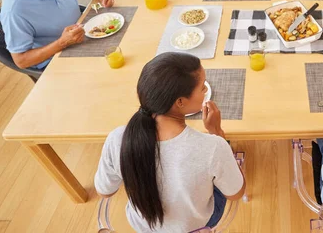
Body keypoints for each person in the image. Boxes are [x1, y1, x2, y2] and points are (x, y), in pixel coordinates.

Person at [95, 53, 245, 233]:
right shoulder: (212, 147)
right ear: (180, 102)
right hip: (194, 225)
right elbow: (236, 193)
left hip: (144, 226)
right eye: (202, 87)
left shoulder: (116, 138)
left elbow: (105, 191)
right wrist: (218, 133)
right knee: (222, 172)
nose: (206, 91)